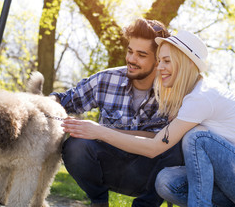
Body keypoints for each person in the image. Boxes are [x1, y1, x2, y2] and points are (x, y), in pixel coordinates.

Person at [61, 30, 235, 207]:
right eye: (159, 60)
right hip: (234, 182)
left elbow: (154, 147)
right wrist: (99, 130)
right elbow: (156, 138)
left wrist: (99, 131)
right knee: (166, 182)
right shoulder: (192, 96)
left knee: (196, 138)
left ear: (185, 63)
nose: (159, 67)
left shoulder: (202, 96)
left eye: (166, 61)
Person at [51, 18, 184, 207]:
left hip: (148, 174)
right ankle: (98, 202)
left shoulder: (174, 92)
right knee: (76, 145)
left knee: (178, 145)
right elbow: (64, 100)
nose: (131, 59)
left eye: (141, 55)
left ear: (158, 60)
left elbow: (165, 141)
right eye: (130, 51)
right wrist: (38, 103)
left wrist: (100, 131)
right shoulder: (107, 79)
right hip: (108, 167)